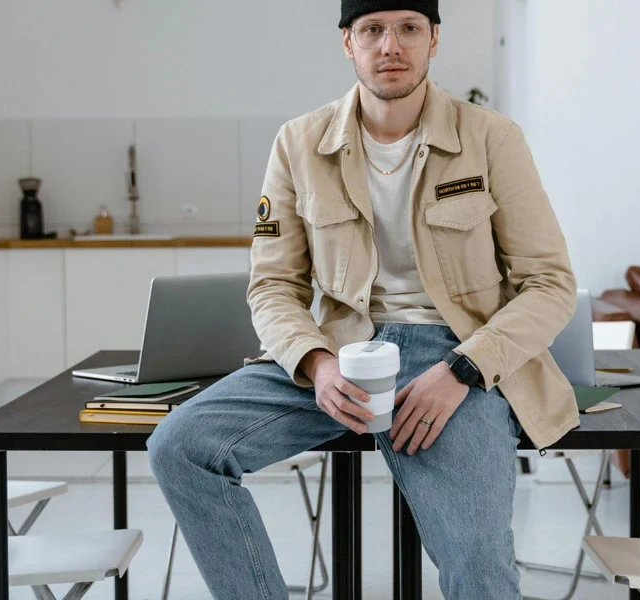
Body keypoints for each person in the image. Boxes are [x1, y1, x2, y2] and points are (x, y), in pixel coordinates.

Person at [148, 1, 578, 597]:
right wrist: (316, 365)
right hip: (339, 354)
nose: (390, 46)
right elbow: (273, 285)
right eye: (373, 30)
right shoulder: (298, 143)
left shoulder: (492, 138)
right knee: (179, 447)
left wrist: (464, 369)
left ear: (434, 40)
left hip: (456, 357)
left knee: (478, 563)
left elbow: (550, 283)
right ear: (348, 42)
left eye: (408, 29)